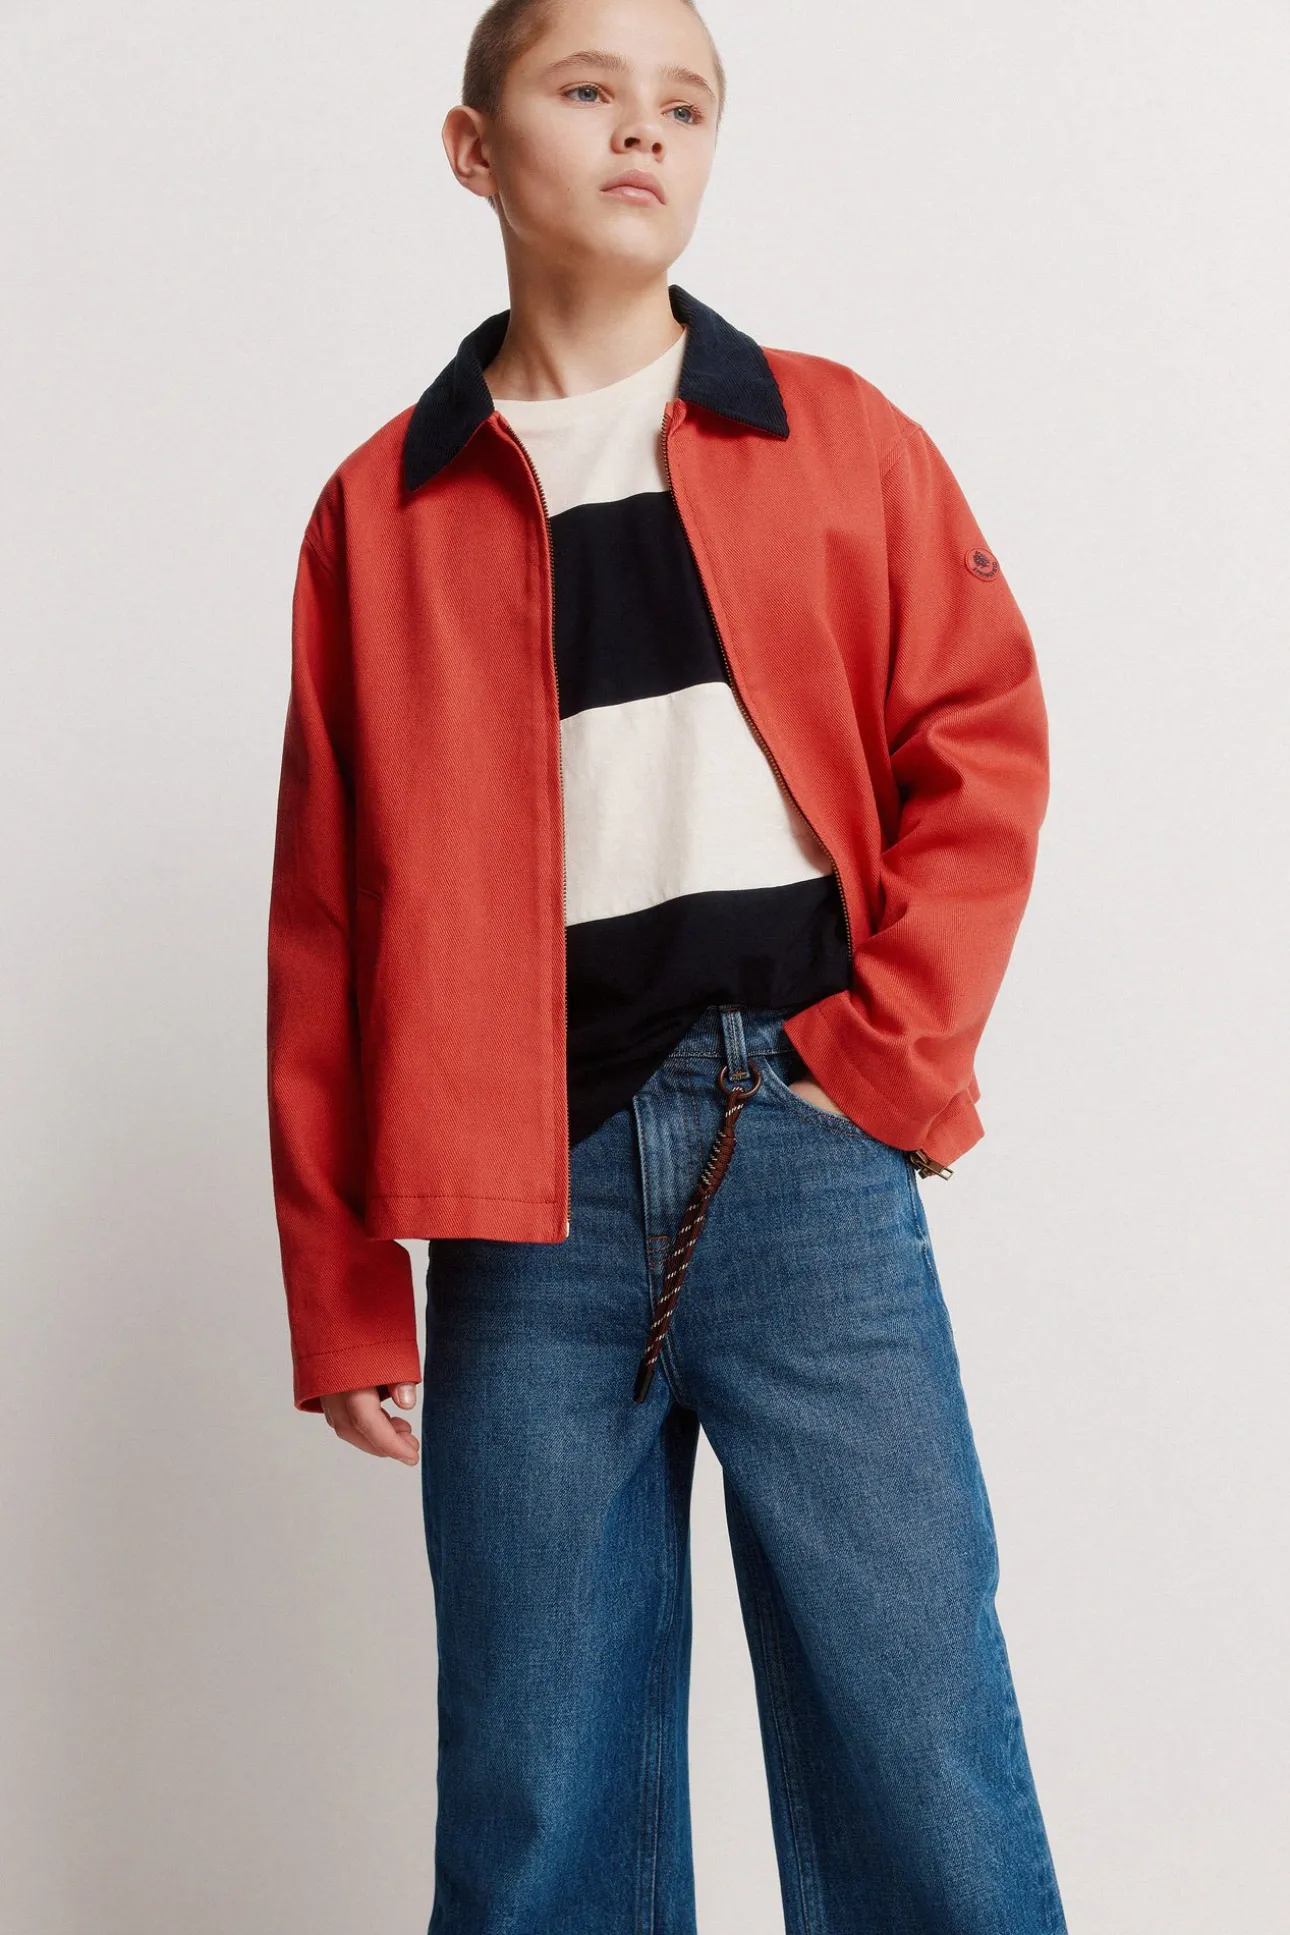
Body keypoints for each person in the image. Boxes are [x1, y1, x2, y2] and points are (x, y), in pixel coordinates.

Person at [265, 0, 1069, 1928]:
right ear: (475, 150)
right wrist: (345, 1288)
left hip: (802, 1159)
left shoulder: (836, 437)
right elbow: (324, 921)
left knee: (915, 1726)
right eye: (587, 89)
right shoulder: (378, 512)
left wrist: (882, 1061)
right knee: (537, 1772)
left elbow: (979, 743)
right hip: (518, 1201)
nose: (643, 130)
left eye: (684, 104)